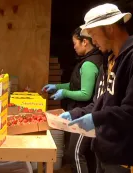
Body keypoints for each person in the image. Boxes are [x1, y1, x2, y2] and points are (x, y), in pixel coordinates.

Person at [59, 3, 133, 173]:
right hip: (107, 154)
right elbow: (99, 103)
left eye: (93, 34)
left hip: (130, 159)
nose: (93, 41)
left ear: (109, 28)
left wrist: (96, 119)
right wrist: (76, 114)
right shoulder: (109, 61)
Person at [42, 26, 103, 173]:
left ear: (85, 42)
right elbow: (76, 84)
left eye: (75, 43)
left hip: (85, 115)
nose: (74, 47)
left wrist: (65, 93)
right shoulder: (89, 60)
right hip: (83, 113)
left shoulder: (89, 64)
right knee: (86, 154)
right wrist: (57, 87)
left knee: (75, 153)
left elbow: (85, 94)